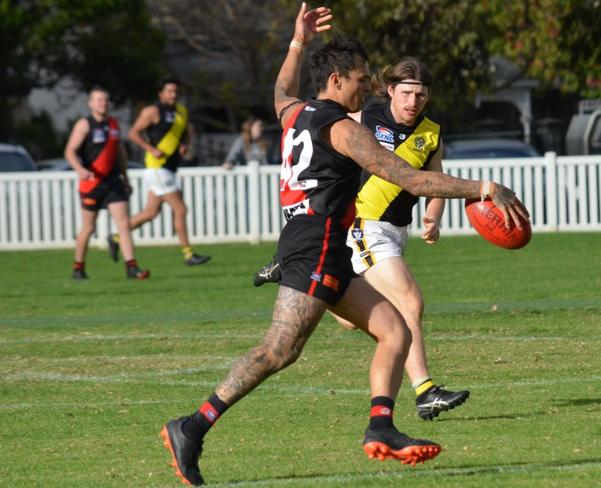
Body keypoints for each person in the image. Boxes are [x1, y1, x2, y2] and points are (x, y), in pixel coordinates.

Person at [160, 4, 528, 486]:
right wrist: (484, 189)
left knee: (394, 330)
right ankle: (193, 425)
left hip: (321, 243)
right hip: (317, 243)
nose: (366, 89)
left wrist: (297, 41)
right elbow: (408, 178)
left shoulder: (296, 112)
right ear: (336, 80)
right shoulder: (341, 128)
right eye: (358, 79)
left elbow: (280, 91)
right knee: (279, 350)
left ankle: (382, 427)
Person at [254, 58, 470, 420]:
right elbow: (319, 132)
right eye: (406, 93)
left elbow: (435, 181)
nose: (412, 102)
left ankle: (303, 274)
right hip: (365, 225)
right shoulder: (364, 118)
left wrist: (433, 217)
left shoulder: (431, 134)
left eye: (420, 95)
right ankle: (425, 392)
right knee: (409, 301)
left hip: (396, 232)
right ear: (390, 91)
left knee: (351, 318)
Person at [107, 76, 211, 266]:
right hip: (157, 168)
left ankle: (115, 237)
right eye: (169, 91)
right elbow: (133, 133)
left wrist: (184, 145)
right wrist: (151, 149)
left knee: (150, 212)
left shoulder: (181, 111)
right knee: (180, 209)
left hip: (169, 168)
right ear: (161, 93)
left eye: (176, 91)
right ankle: (188, 254)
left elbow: (186, 134)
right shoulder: (152, 111)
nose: (173, 95)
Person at [64, 87, 150, 280]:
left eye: (105, 100)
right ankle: (78, 267)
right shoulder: (84, 125)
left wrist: (125, 177)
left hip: (113, 182)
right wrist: (80, 170)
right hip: (92, 183)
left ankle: (131, 267)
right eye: (99, 100)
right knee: (88, 228)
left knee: (124, 224)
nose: (103, 103)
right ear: (91, 103)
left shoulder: (113, 124)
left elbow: (119, 152)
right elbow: (70, 151)